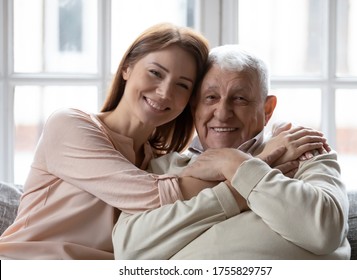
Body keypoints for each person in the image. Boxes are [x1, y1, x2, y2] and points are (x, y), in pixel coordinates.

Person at [112, 45, 350, 260]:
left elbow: (323, 231)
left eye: (240, 99)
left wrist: (233, 163)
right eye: (211, 98)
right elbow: (129, 251)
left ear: (267, 110)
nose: (223, 113)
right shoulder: (162, 168)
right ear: (195, 107)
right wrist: (237, 188)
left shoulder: (300, 150)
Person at [0, 23, 210, 259]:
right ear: (127, 68)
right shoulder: (69, 125)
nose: (164, 92)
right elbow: (153, 197)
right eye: (156, 73)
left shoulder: (159, 163)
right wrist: (239, 178)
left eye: (182, 85)